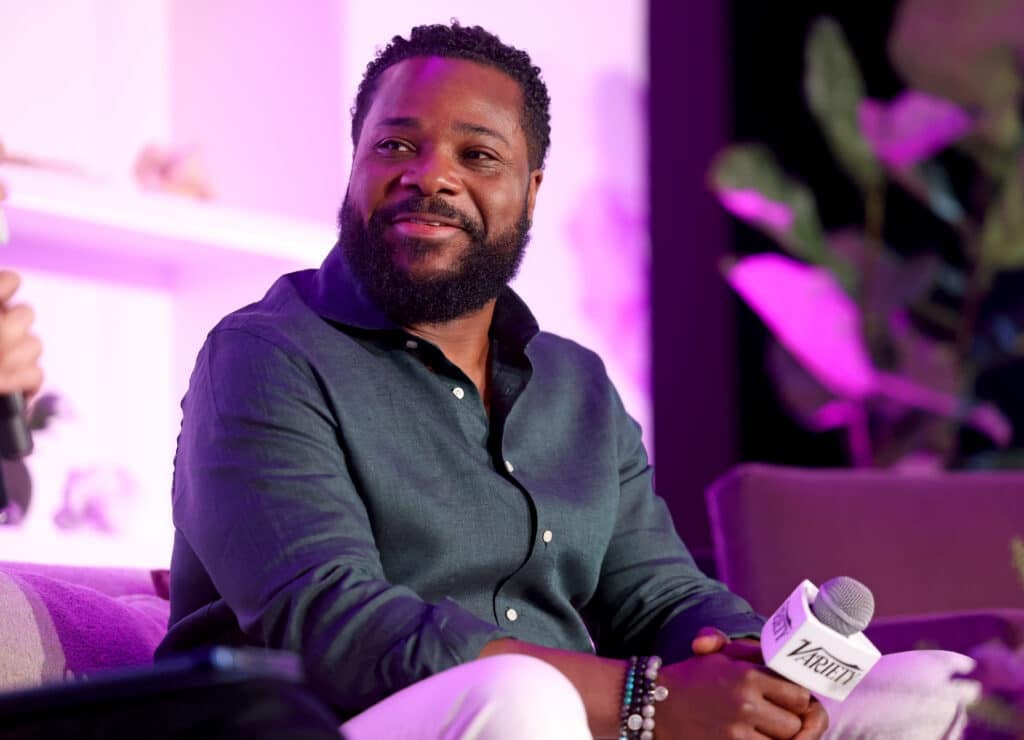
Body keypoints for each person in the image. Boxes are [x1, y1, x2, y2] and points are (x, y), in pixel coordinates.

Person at [157, 23, 977, 739]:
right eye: (395, 146)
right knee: (520, 695)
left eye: (478, 155)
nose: (430, 176)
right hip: (339, 721)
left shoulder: (575, 385)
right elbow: (330, 622)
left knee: (936, 687)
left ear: (531, 191)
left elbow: (657, 594)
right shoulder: (264, 356)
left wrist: (744, 668)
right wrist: (642, 702)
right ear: (355, 165)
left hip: (574, 720)